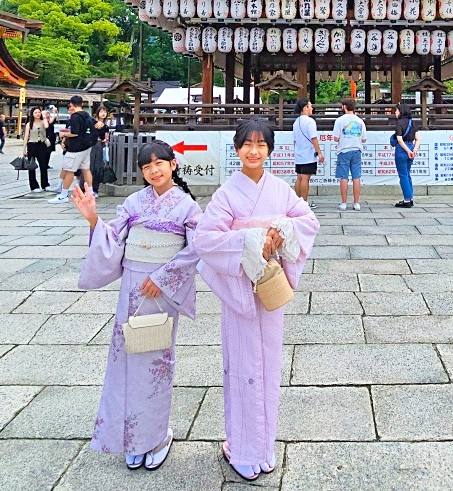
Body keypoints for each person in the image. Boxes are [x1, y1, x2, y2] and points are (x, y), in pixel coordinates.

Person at [194, 119, 319, 480]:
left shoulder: (280, 188)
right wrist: (251, 241)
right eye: (246, 144)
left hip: (268, 285)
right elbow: (205, 239)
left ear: (270, 150)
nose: (253, 150)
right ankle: (242, 447)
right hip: (239, 289)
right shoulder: (225, 194)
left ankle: (262, 446)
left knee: (269, 364)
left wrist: (282, 232)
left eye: (261, 144)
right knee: (243, 365)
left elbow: (306, 220)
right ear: (236, 149)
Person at [72, 141, 201, 471]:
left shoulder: (187, 206)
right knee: (125, 363)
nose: (153, 170)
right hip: (132, 288)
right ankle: (130, 438)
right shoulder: (133, 202)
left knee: (156, 364)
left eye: (160, 163)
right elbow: (113, 239)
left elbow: (196, 249)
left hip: (161, 293)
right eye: (147, 167)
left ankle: (155, 436)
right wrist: (92, 220)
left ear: (173, 165)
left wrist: (162, 277)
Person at [50, 95, 94, 204]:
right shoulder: (86, 115)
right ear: (81, 104)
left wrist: (63, 134)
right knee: (85, 169)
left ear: (71, 104)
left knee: (69, 169)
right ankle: (90, 192)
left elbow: (75, 132)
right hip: (86, 146)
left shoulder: (75, 116)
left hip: (76, 148)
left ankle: (63, 195)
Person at [332, 98, 366, 211]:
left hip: (344, 150)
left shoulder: (340, 120)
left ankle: (343, 203)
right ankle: (356, 203)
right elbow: (364, 139)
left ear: (344, 106)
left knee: (343, 177)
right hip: (357, 150)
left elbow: (336, 138)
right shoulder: (360, 121)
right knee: (356, 177)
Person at [291, 99, 323, 208]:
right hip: (308, 154)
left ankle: (297, 202)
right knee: (305, 178)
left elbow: (294, 140)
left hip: (299, 154)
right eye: (310, 106)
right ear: (305, 108)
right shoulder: (310, 121)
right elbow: (313, 138)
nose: (311, 108)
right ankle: (304, 203)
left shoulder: (296, 122)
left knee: (299, 177)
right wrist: (319, 153)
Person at [393, 102, 421, 208]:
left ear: (401, 111)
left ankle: (407, 200)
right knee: (408, 174)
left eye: (396, 110)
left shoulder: (399, 123)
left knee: (403, 175)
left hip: (402, 150)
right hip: (411, 147)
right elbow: (418, 138)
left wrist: (407, 150)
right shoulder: (412, 122)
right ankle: (410, 198)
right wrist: (414, 150)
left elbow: (399, 139)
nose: (395, 112)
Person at [22, 106, 51, 192]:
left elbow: (46, 126)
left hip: (42, 145)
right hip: (32, 145)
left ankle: (45, 184)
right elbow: (26, 136)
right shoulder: (29, 124)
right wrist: (23, 149)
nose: (37, 114)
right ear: (32, 114)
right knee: (32, 166)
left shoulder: (43, 122)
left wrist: (44, 116)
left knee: (43, 165)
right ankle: (34, 186)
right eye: (35, 113)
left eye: (39, 112)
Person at [90, 105, 112, 195]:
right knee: (90, 167)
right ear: (97, 113)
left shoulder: (106, 126)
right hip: (93, 146)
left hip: (101, 146)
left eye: (105, 112)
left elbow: (106, 136)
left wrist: (106, 140)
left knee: (98, 168)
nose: (103, 114)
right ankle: (88, 188)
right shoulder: (93, 123)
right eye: (101, 112)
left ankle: (95, 189)